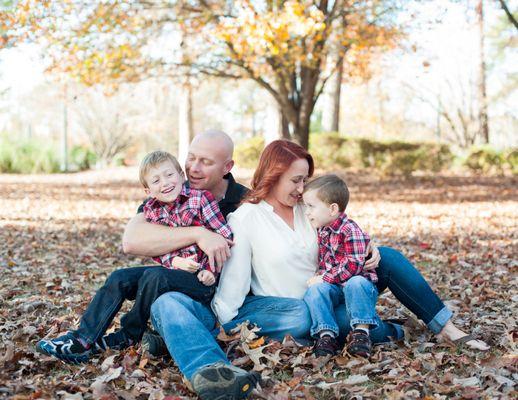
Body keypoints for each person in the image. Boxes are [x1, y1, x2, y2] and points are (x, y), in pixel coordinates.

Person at [35, 149, 234, 364]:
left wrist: (208, 269)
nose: (165, 183)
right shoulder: (152, 210)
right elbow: (156, 247)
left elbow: (224, 237)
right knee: (120, 277)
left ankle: (129, 334)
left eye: (169, 175)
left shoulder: (200, 199)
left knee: (155, 277)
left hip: (202, 281)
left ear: (181, 176)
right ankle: (82, 339)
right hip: (171, 272)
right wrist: (172, 261)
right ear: (148, 190)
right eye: (156, 180)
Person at [302, 174, 380, 358]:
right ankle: (326, 335)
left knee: (356, 283)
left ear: (332, 209)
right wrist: (322, 280)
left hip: (358, 287)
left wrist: (324, 277)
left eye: (311, 206)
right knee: (316, 291)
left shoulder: (350, 230)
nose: (306, 212)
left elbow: (353, 267)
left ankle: (361, 333)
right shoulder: (323, 228)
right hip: (336, 287)